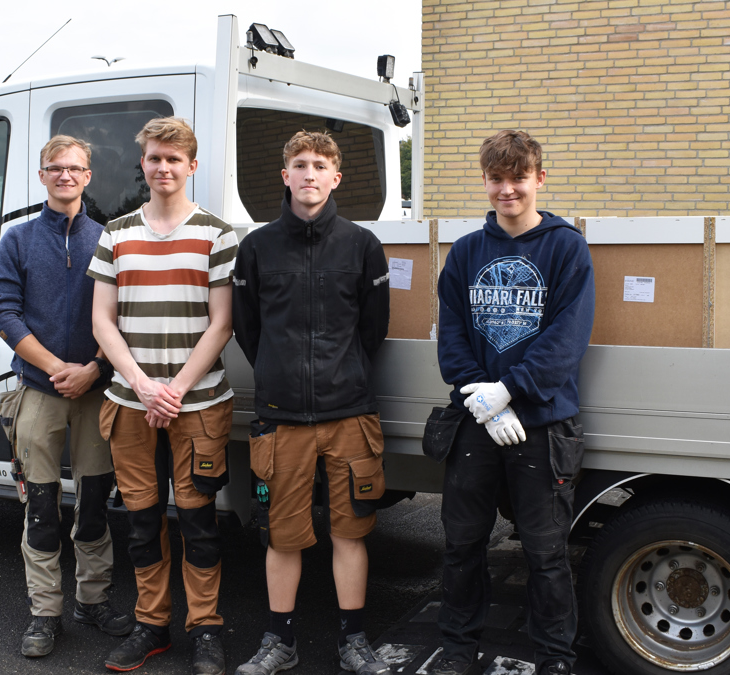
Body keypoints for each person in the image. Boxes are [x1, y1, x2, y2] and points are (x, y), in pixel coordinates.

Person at [431, 130, 595, 675]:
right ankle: (458, 648)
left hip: (543, 423)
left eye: (518, 178)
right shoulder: (466, 253)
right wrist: (486, 399)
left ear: (539, 179)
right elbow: (451, 337)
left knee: (545, 553)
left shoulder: (565, 247)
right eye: (497, 179)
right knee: (462, 545)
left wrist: (512, 391)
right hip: (478, 421)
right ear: (485, 182)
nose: (508, 190)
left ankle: (554, 657)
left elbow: (567, 339)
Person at [232, 130, 392, 675]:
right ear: (284, 176)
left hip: (349, 415)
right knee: (284, 535)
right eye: (299, 164)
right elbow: (248, 330)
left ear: (335, 178)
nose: (309, 174)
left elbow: (374, 330)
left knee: (350, 532)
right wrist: (282, 374)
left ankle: (353, 642)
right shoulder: (256, 247)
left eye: (320, 165)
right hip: (281, 420)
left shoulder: (362, 245)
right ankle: (280, 641)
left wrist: (335, 374)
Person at [88, 117, 237, 675]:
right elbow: (102, 321)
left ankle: (205, 628)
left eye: (174, 159)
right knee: (143, 521)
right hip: (131, 403)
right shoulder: (116, 233)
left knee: (199, 521)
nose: (163, 167)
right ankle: (152, 626)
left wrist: (173, 388)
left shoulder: (218, 235)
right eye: (154, 158)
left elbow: (222, 324)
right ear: (143, 164)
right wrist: (145, 385)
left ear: (192, 166)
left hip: (198, 405)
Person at [0, 135, 130, 658]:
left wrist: (92, 370)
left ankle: (92, 600)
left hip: (96, 391)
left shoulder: (111, 239)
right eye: (55, 168)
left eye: (75, 168)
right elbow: (4, 311)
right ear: (42, 175)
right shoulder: (18, 240)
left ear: (88, 177)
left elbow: (121, 318)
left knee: (93, 504)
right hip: (38, 391)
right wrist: (56, 369)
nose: (65, 175)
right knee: (42, 509)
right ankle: (44, 613)